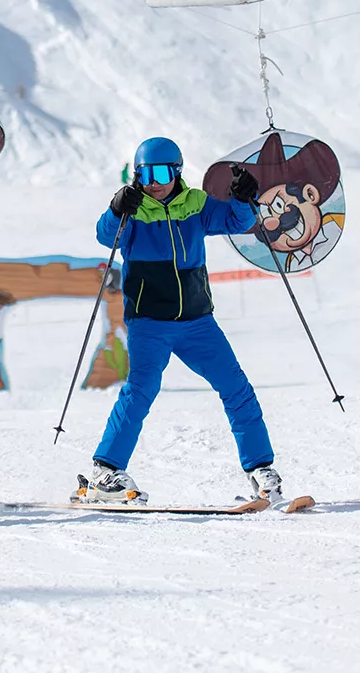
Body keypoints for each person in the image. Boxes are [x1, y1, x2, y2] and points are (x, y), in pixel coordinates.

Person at [85, 136, 281, 505]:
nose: (154, 181)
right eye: (144, 173)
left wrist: (243, 197)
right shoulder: (133, 209)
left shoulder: (196, 205)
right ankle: (105, 470)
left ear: (177, 172)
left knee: (236, 388)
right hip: (149, 323)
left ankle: (260, 469)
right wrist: (115, 209)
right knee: (140, 391)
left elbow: (238, 222)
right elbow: (104, 235)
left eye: (162, 172)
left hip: (197, 322)